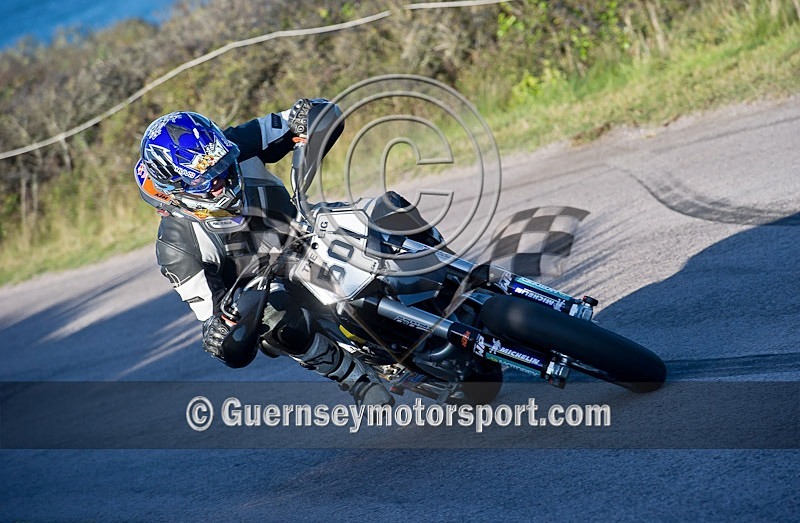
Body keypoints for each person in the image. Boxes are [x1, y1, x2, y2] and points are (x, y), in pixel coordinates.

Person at [134, 99, 393, 407]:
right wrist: (218, 331)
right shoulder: (176, 247)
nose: (219, 180)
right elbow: (215, 326)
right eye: (204, 178)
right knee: (272, 317)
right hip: (267, 287)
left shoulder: (234, 143)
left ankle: (455, 278)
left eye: (221, 166)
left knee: (386, 210)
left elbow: (313, 114)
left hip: (304, 232)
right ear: (175, 187)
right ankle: (355, 378)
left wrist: (307, 115)